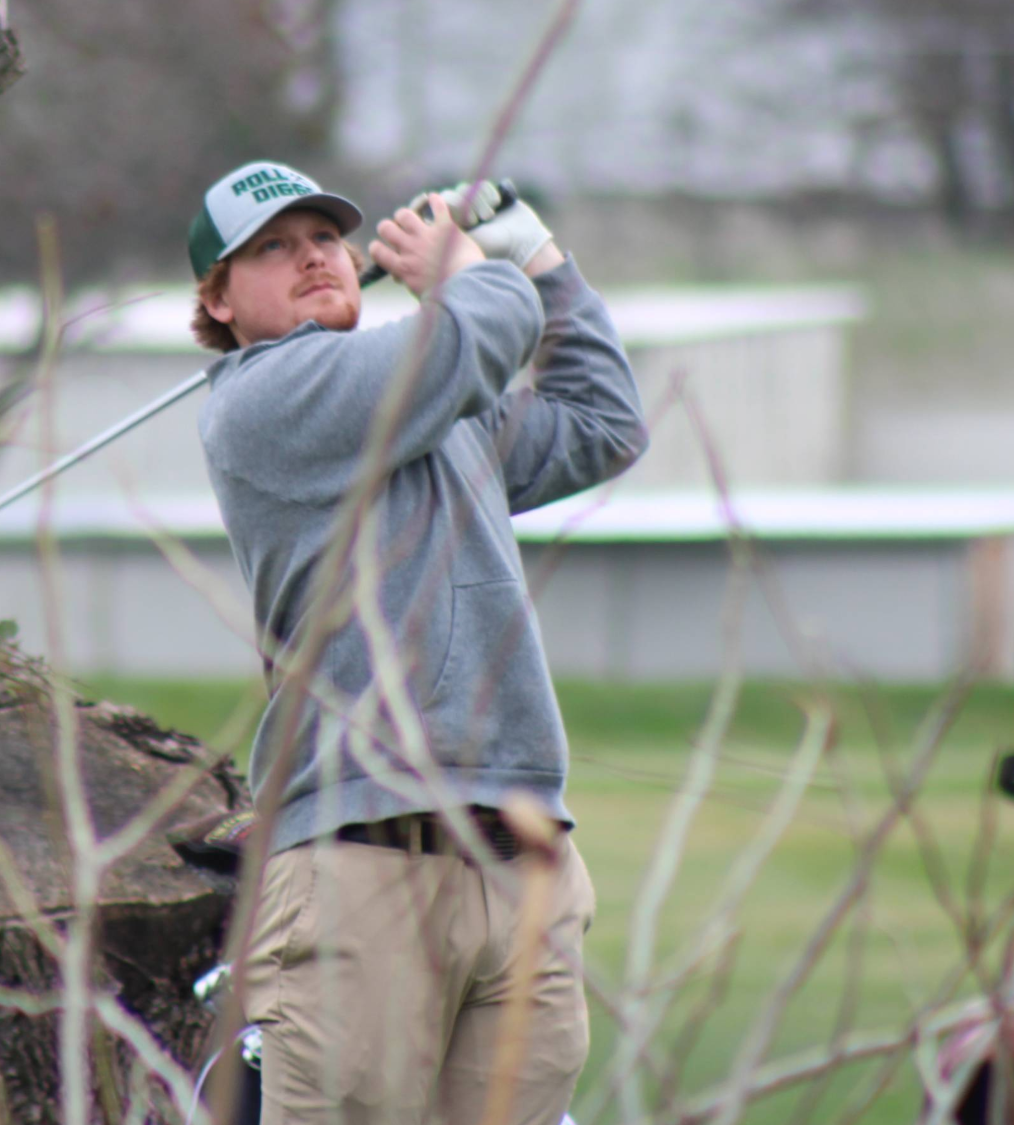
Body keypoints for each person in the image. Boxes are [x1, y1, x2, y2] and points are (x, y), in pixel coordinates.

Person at [188, 159, 648, 1125]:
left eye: (323, 239)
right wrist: (471, 266)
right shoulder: (265, 398)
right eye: (270, 249)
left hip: (521, 860)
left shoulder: (436, 409)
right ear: (220, 301)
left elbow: (605, 423)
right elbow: (477, 333)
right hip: (361, 861)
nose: (311, 257)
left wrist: (540, 257)